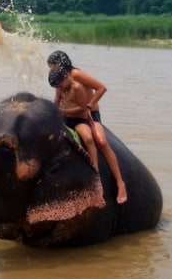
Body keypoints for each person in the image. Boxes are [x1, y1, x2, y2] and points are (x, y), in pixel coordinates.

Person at [49, 66, 127, 204]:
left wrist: (65, 112)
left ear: (66, 77)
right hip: (65, 119)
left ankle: (95, 172)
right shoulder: (60, 87)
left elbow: (83, 109)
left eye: (60, 84)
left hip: (78, 119)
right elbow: (56, 102)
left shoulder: (77, 87)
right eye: (57, 86)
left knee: (88, 138)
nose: (60, 87)